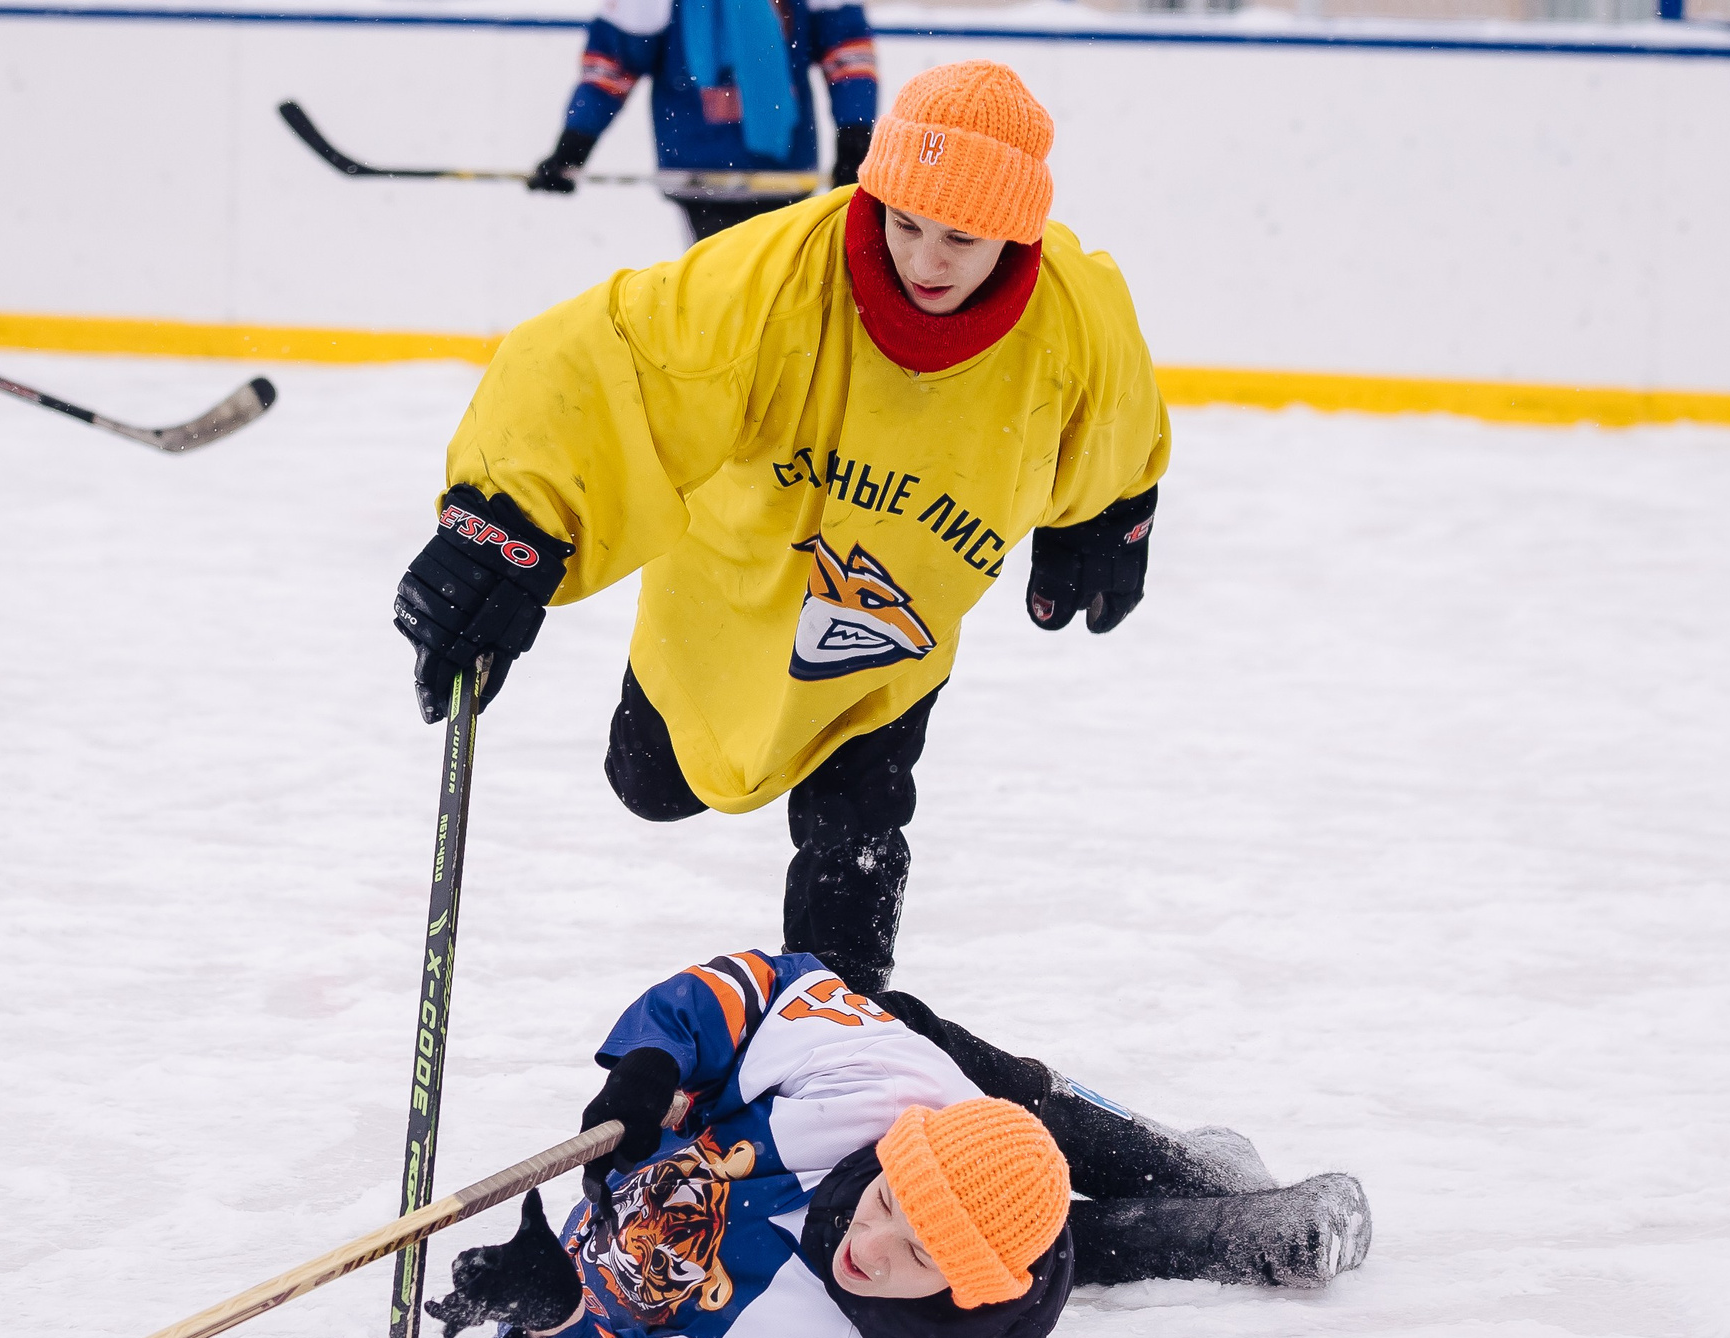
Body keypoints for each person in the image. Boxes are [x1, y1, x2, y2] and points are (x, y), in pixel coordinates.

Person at [398, 62, 1166, 993]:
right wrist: (502, 520)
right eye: (905, 221)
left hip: (896, 618)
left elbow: (1118, 408)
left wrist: (1115, 514)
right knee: (649, 780)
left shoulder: (1074, 316)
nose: (924, 262)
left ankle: (841, 1025)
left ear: (1017, 231)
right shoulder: (768, 279)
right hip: (735, 583)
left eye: (962, 237)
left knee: (861, 828)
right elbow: (609, 361)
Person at [427, 950, 1372, 1338]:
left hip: (981, 1241)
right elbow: (769, 981)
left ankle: (1236, 1224)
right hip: (928, 1084)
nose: (865, 1250)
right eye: (886, 1207)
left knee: (1069, 1250)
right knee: (997, 1086)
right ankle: (1190, 1159)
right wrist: (651, 1058)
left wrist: (551, 1323)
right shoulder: (885, 1085)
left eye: (919, 1253)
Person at [526, 0, 878, 242]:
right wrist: (573, 145)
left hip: (781, 175)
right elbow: (613, 65)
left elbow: (847, 50)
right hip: (700, 175)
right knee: (726, 303)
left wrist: (855, 137)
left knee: (772, 301)